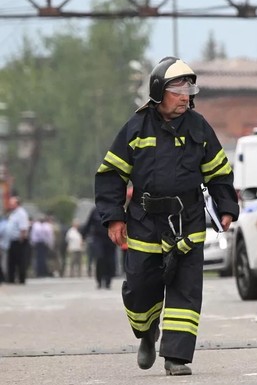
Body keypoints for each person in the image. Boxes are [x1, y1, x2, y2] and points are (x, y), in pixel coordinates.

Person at [94, 57, 238, 376]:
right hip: (145, 221)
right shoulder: (135, 128)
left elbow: (219, 172)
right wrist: (114, 218)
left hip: (188, 220)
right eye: (178, 89)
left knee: (185, 289)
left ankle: (176, 356)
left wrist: (226, 207)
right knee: (139, 290)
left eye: (189, 89)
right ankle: (146, 333)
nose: (186, 96)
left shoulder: (199, 127)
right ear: (159, 92)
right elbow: (111, 174)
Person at [84, 207, 116, 289]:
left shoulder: (114, 207)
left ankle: (108, 281)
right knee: (100, 259)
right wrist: (83, 235)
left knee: (110, 260)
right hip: (98, 238)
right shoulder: (95, 210)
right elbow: (89, 223)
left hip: (110, 238)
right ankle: (99, 280)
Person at [6, 195, 31, 285]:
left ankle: (21, 279)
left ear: (17, 204)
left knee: (20, 261)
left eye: (12, 203)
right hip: (12, 240)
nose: (10, 205)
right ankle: (11, 279)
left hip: (19, 241)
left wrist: (21, 240)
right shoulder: (13, 213)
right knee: (11, 261)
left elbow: (23, 229)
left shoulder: (21, 214)